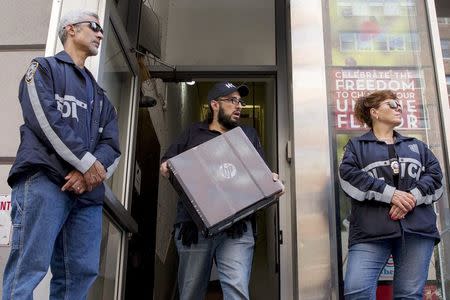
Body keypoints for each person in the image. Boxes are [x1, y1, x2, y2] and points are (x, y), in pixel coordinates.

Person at [3, 10, 120, 300]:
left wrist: (87, 175)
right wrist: (86, 163)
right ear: (70, 29)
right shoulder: (42, 69)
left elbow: (112, 147)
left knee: (80, 274)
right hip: (44, 181)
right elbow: (44, 118)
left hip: (87, 196)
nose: (100, 34)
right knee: (28, 269)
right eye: (94, 26)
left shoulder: (102, 96)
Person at [160, 81, 283, 300]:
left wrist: (272, 180)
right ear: (215, 104)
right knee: (190, 294)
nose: (239, 106)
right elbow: (167, 164)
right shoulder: (192, 132)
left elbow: (261, 174)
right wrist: (168, 167)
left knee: (237, 292)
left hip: (237, 227)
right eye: (232, 100)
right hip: (193, 227)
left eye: (240, 101)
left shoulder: (248, 134)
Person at [339, 90, 443, 299]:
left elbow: (436, 179)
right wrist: (390, 194)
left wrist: (411, 197)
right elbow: (348, 176)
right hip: (370, 232)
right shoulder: (356, 146)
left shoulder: (417, 146)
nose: (399, 108)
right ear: (375, 112)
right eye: (392, 104)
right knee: (356, 292)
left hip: (416, 231)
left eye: (400, 104)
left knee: (409, 295)